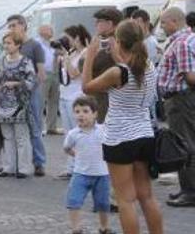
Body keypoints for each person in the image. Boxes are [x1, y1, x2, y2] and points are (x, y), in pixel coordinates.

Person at [83, 19, 163, 234]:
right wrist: (116, 52)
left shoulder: (117, 73)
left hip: (119, 138)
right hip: (144, 134)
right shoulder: (148, 67)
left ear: (119, 42)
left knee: (125, 200)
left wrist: (90, 55)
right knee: (147, 196)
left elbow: (87, 87)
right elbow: (129, 67)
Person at [157, 7, 195, 207]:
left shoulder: (181, 43)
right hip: (181, 99)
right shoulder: (188, 39)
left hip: (181, 99)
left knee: (184, 144)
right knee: (186, 142)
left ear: (174, 21)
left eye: (163, 22)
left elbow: (190, 76)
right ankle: (186, 187)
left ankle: (190, 191)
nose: (162, 27)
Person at [63, 95, 114, 234]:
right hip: (80, 173)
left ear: (95, 114)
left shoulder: (103, 130)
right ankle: (76, 228)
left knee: (103, 204)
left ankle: (104, 227)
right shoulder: (73, 134)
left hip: (102, 174)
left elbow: (111, 145)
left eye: (85, 111)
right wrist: (76, 155)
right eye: (77, 111)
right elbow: (66, 148)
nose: (81, 115)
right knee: (74, 200)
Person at [7, 15, 47, 177]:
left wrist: (28, 88)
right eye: (9, 26)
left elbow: (41, 74)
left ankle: (39, 163)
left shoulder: (34, 46)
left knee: (35, 128)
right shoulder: (10, 45)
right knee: (16, 131)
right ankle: (17, 163)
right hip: (12, 95)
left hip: (31, 93)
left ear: (23, 26)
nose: (11, 29)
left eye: (14, 25)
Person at [0, 31, 36, 178]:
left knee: (21, 137)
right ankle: (8, 167)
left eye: (9, 43)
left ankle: (24, 168)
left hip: (19, 104)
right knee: (7, 137)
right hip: (3, 103)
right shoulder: (1, 61)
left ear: (18, 45)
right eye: (4, 43)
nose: (6, 46)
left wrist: (17, 83)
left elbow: (31, 82)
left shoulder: (26, 62)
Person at [57, 25, 91, 179]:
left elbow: (74, 74)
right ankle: (71, 167)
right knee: (69, 134)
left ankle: (81, 167)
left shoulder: (85, 53)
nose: (66, 42)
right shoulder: (72, 53)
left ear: (77, 37)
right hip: (65, 95)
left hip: (77, 97)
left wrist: (66, 58)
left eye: (68, 38)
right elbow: (62, 76)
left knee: (79, 133)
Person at [88, 8, 124, 124]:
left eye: (99, 21)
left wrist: (91, 54)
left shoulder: (119, 42)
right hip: (98, 97)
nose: (96, 24)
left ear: (110, 24)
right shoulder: (101, 41)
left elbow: (127, 68)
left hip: (108, 98)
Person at [38, 25, 63, 135]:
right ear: (41, 31)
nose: (52, 31)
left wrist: (60, 51)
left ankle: (51, 127)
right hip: (44, 73)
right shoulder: (37, 44)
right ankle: (37, 128)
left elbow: (62, 53)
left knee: (54, 101)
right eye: (49, 29)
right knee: (40, 101)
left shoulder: (54, 43)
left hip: (55, 72)